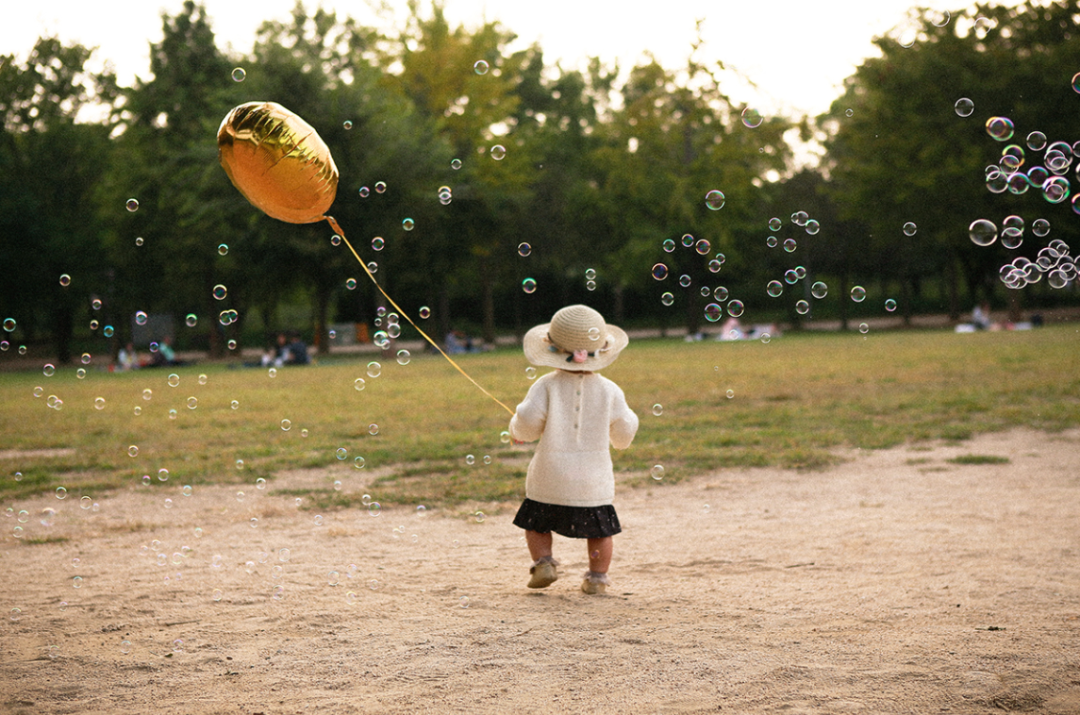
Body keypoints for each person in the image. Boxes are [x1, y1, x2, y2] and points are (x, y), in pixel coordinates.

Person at [508, 305, 639, 595]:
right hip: (594, 479)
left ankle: (543, 563)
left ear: (552, 349)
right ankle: (596, 578)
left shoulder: (545, 386)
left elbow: (527, 424)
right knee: (600, 531)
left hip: (549, 476)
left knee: (537, 523)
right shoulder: (610, 390)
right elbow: (625, 428)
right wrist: (620, 441)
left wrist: (516, 429)